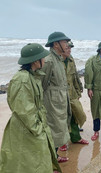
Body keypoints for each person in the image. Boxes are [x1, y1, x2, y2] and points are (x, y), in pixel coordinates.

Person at [0, 43, 61, 173]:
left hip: (31, 126)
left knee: (33, 160)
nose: (45, 60)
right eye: (42, 58)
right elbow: (24, 111)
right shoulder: (23, 79)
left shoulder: (32, 75)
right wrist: (38, 129)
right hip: (27, 128)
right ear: (35, 61)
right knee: (27, 162)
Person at [41, 32, 72, 163]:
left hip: (60, 100)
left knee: (59, 130)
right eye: (64, 42)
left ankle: (55, 158)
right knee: (53, 131)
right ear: (56, 44)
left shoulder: (58, 59)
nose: (67, 45)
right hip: (52, 103)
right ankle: (50, 163)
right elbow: (42, 84)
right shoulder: (48, 60)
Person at [59, 41, 88, 151]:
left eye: (70, 48)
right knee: (62, 119)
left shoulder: (71, 59)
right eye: (67, 48)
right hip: (60, 95)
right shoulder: (55, 61)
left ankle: (76, 138)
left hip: (71, 93)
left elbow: (75, 75)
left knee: (76, 115)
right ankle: (62, 142)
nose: (69, 50)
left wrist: (79, 89)